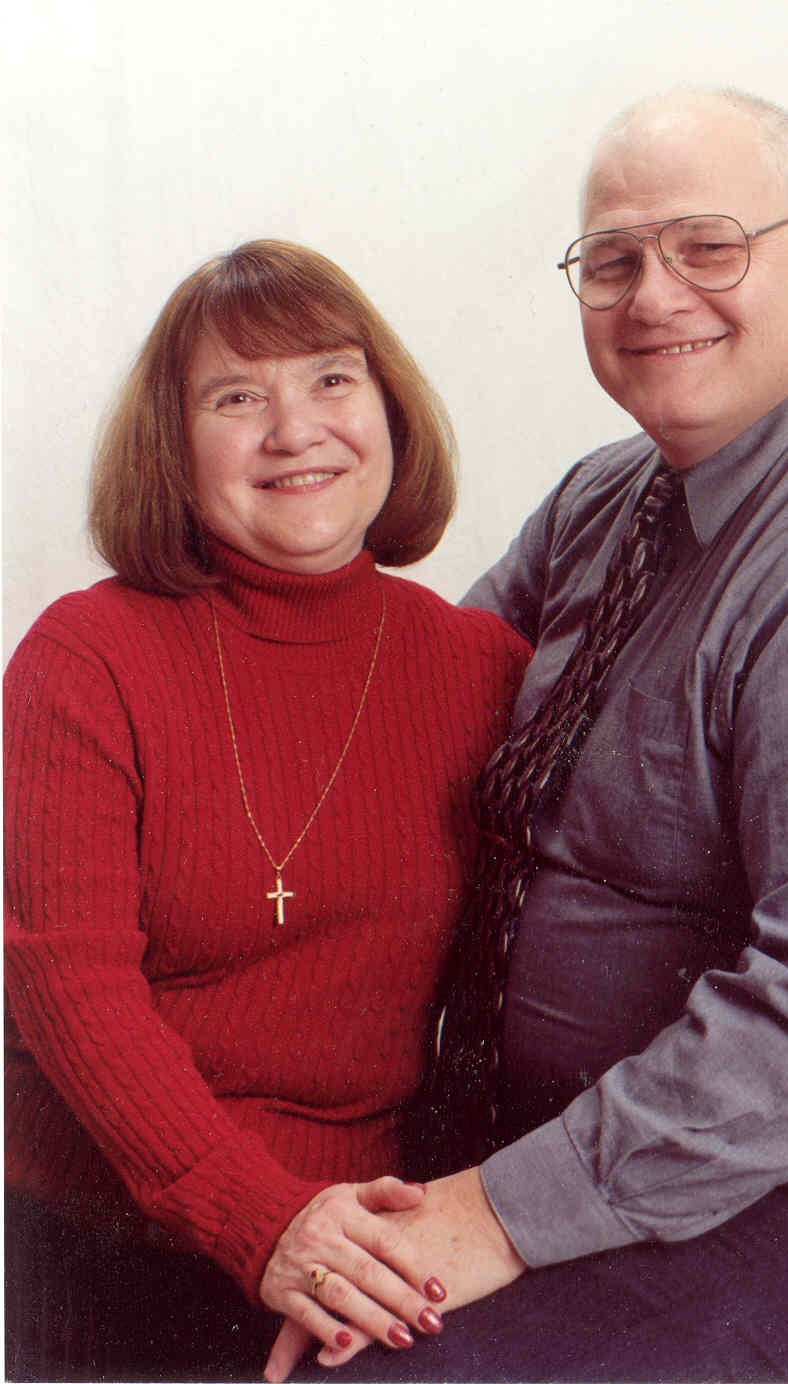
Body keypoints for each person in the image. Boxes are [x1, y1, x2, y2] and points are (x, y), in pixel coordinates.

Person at [265, 89, 788, 1383]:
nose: (652, 296)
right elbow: (405, 729)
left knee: (361, 1372)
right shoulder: (612, 493)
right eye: (612, 259)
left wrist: (487, 1218)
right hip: (552, 1123)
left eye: (707, 246)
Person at [3, 239, 531, 1382]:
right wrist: (264, 1222)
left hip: (372, 1241)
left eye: (331, 378)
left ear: (387, 410)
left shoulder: (483, 668)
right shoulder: (85, 658)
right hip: (112, 1242)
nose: (296, 430)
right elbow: (68, 986)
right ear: (173, 443)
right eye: (237, 397)